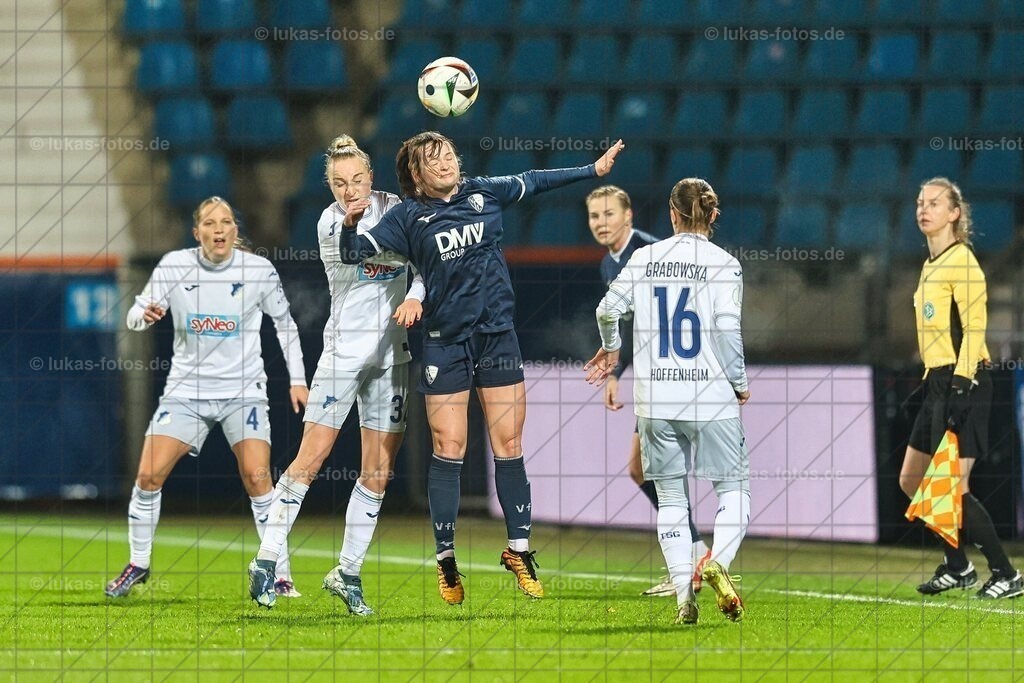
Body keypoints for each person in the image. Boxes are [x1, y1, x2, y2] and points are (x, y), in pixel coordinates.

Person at [338, 131, 625, 605]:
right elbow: (355, 253)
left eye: (449, 152)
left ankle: (519, 550)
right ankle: (447, 559)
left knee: (509, 443)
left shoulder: (484, 192)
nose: (446, 162)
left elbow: (534, 180)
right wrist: (349, 226)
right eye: (434, 159)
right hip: (445, 343)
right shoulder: (407, 217)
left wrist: (590, 171)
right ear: (415, 173)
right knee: (449, 447)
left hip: (497, 336)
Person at [247, 136, 426, 611]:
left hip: (393, 357)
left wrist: (417, 295)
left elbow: (428, 262)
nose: (350, 190)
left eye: (357, 180)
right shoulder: (331, 223)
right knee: (311, 459)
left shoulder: (399, 208)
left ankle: (347, 573)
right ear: (330, 188)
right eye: (339, 183)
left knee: (379, 471)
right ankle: (266, 560)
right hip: (343, 356)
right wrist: (360, 228)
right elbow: (353, 253)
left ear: (372, 178)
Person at [105, 197, 309, 599]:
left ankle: (280, 574)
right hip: (186, 393)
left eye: (227, 222)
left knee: (257, 478)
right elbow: (134, 312)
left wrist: (298, 380)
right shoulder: (174, 267)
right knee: (147, 476)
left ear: (236, 230)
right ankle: (139, 564)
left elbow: (286, 325)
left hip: (242, 392)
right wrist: (141, 316)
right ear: (196, 232)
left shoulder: (258, 271)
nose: (219, 229)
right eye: (210, 223)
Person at [586, 178, 751, 625]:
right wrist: (738, 382)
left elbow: (606, 310)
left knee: (672, 499)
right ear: (713, 215)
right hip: (710, 396)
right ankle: (718, 562)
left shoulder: (644, 258)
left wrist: (611, 346)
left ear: (671, 214)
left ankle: (684, 598)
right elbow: (725, 331)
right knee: (733, 491)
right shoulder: (725, 264)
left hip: (656, 400)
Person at [899, 177, 1022, 599]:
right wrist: (929, 380)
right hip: (938, 380)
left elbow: (975, 329)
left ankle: (1006, 573)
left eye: (934, 202)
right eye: (920, 202)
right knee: (913, 480)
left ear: (955, 213)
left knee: (953, 488)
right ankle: (958, 566)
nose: (924, 208)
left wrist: (959, 384)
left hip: (964, 380)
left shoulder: (962, 261)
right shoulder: (930, 264)